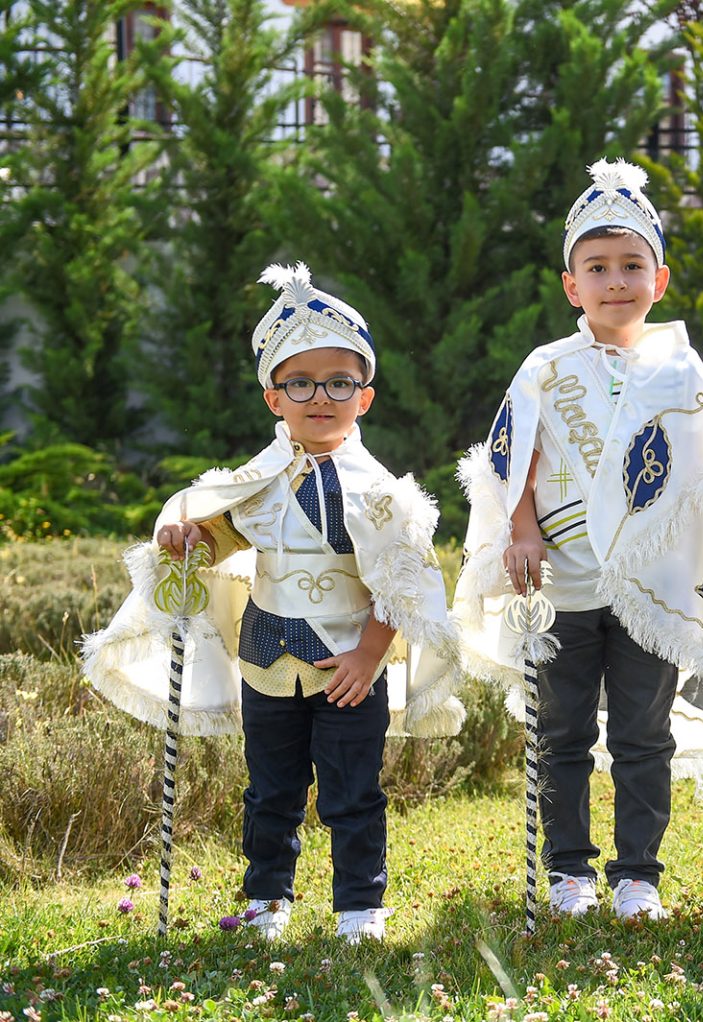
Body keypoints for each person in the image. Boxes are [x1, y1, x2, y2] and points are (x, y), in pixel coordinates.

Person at [84, 263, 465, 943]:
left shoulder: (383, 494)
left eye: (339, 382)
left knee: (352, 792)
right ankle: (267, 897)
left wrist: (370, 656)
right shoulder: (256, 483)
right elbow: (222, 536)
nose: (320, 397)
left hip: (348, 666)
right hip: (265, 662)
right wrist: (189, 539)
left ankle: (359, 906)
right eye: (300, 383)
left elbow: (401, 582)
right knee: (269, 791)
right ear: (274, 398)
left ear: (364, 398)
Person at [454, 159, 703, 922]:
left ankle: (637, 876)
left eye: (632, 265)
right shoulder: (545, 369)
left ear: (660, 280)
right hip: (561, 582)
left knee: (642, 734)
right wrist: (520, 531)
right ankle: (569, 872)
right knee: (560, 730)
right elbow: (511, 459)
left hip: (651, 587)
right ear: (572, 286)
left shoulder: (679, 368)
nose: (616, 281)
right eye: (597, 267)